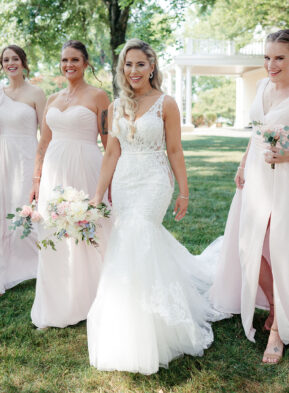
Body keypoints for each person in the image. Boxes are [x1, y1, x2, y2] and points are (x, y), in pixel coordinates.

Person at [87, 38, 226, 375]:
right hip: (125, 180)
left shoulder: (167, 103)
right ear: (123, 69)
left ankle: (158, 327)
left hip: (153, 179)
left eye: (140, 64)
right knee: (129, 242)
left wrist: (184, 191)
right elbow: (110, 153)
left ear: (152, 66)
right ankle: (129, 320)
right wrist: (97, 194)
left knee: (141, 233)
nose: (133, 70)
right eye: (128, 65)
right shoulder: (116, 106)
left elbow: (175, 150)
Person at [210, 29, 289, 364]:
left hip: (284, 177)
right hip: (256, 175)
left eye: (280, 58)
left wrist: (287, 156)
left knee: (279, 247)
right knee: (249, 246)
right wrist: (244, 163)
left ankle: (277, 332)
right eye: (267, 57)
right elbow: (256, 131)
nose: (271, 64)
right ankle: (275, 306)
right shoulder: (261, 86)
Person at [30, 40, 110, 328]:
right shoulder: (52, 99)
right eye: (64, 60)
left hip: (85, 168)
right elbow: (42, 144)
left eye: (75, 60)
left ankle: (92, 298)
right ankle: (58, 301)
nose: (69, 65)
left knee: (88, 229)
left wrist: (108, 182)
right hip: (54, 170)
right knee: (53, 230)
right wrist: (36, 180)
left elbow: (108, 143)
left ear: (86, 63)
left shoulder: (99, 96)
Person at [0, 45, 46, 295]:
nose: (10, 63)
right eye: (6, 59)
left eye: (14, 58)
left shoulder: (36, 93)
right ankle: (5, 267)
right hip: (2, 160)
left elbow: (46, 134)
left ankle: (40, 264)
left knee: (25, 209)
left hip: (27, 158)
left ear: (23, 62)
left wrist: (42, 166)